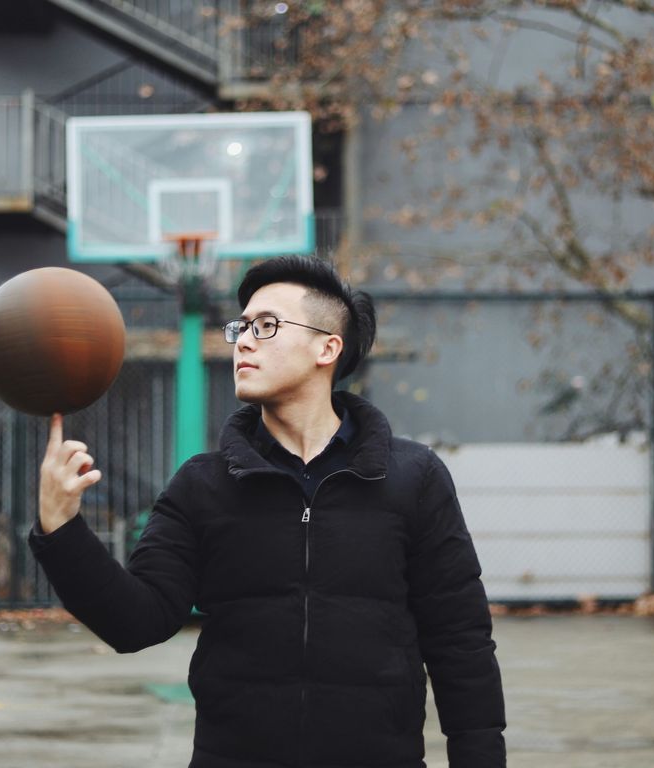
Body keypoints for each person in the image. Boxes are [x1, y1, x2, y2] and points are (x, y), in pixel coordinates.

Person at [30, 255, 506, 767]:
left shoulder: (413, 478)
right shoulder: (203, 485)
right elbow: (135, 621)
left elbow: (461, 644)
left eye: (267, 325)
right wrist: (63, 530)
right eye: (242, 327)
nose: (244, 341)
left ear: (328, 347)